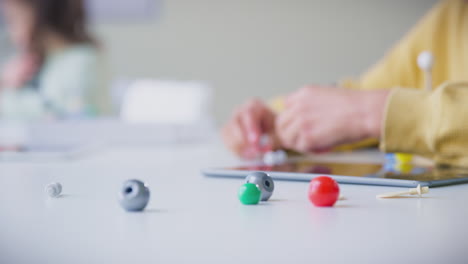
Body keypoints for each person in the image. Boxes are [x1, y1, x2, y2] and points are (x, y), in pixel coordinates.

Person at [222, 0, 468, 167]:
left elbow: (366, 107)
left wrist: (371, 114)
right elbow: (365, 93)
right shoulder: (454, 15)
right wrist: (277, 122)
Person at [0, 0, 110, 120]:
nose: (11, 33)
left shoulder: (82, 61)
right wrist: (5, 83)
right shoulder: (37, 62)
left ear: (39, 16)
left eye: (13, 20)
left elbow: (58, 115)